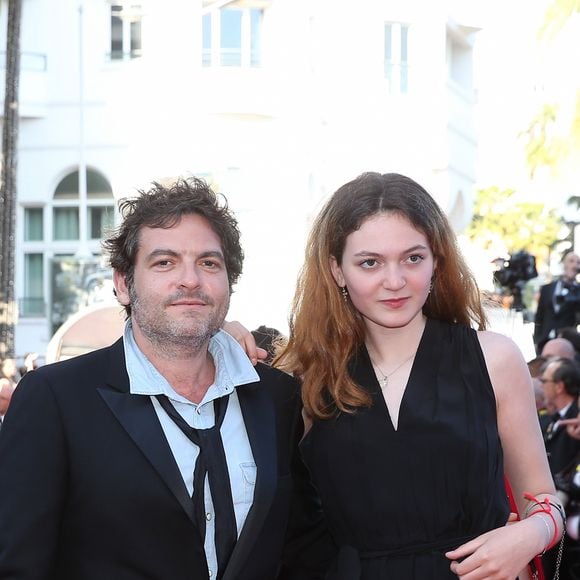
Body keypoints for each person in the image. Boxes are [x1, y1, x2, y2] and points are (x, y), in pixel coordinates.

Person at [0, 177, 329, 580]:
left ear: (229, 281)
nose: (190, 280)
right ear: (123, 284)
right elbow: (17, 563)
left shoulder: (276, 398)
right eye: (164, 262)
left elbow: (302, 548)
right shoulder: (56, 399)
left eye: (209, 263)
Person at [271, 172, 563, 579]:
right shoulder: (306, 377)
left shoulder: (494, 359)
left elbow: (545, 497)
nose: (395, 281)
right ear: (337, 270)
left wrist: (533, 533)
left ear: (436, 260)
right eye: (370, 263)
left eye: (412, 258)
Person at [534, 250, 580, 354]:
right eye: (571, 261)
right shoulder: (547, 288)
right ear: (564, 263)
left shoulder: (578, 291)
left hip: (568, 344)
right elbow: (539, 316)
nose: (574, 265)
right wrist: (537, 339)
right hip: (544, 341)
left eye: (578, 263)